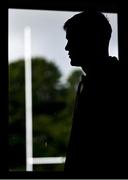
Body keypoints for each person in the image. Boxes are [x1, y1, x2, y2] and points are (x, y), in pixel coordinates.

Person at [63, 11, 127, 178]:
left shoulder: (105, 84)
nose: (67, 47)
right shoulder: (100, 80)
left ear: (90, 40)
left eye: (72, 40)